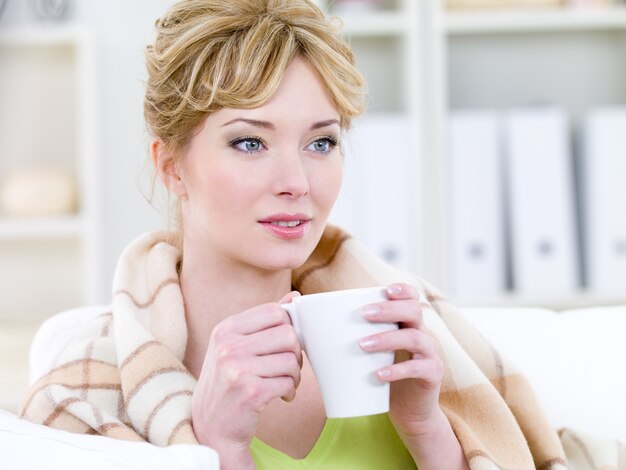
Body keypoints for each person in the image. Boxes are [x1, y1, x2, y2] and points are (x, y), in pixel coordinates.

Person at [20, 1, 581, 469]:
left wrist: (427, 430)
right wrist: (217, 446)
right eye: (249, 142)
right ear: (171, 167)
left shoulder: (414, 336)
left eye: (320, 143)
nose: (295, 183)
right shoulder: (82, 396)